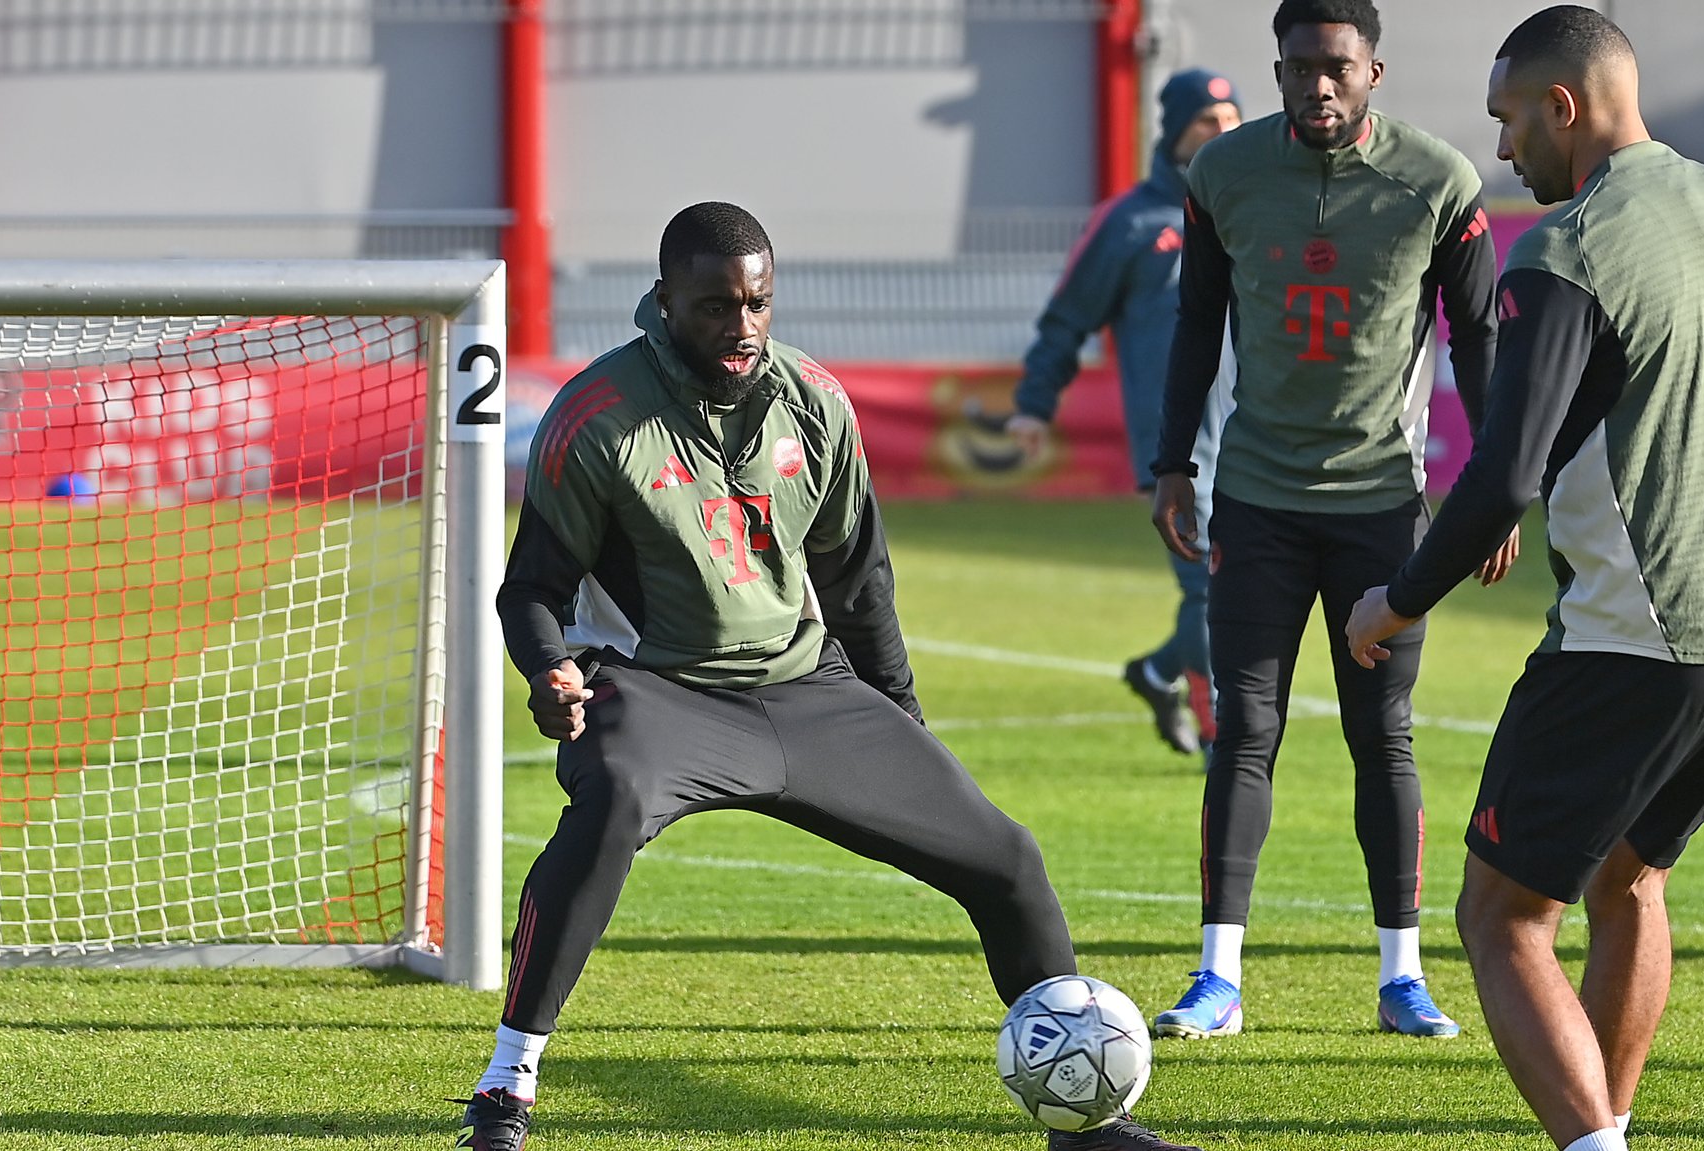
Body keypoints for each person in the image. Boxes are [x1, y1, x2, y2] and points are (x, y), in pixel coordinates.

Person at [454, 202, 1201, 1151]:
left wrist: (902, 721)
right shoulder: (597, 417)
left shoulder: (813, 399)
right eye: (716, 306)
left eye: (757, 302)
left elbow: (858, 583)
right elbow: (531, 587)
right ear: (664, 301)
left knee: (1007, 859)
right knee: (609, 808)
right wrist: (549, 667)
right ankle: (506, 1086)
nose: (742, 325)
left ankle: (1087, 1125)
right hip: (659, 689)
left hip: (807, 686)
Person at [1344, 8, 1704, 1150]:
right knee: (1629, 882)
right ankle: (1611, 1127)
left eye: (1507, 120)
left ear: (1563, 107)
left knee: (1501, 917)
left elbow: (1503, 478)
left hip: (1636, 641)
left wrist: (1395, 599)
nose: (1502, 150)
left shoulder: (1568, 249)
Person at [1147, 0, 1514, 1041]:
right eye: (1299, 66)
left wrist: (1494, 490)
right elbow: (1195, 322)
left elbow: (1479, 337)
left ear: (1373, 73)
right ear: (1276, 70)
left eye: (1337, 68)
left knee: (1381, 735)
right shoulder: (1222, 174)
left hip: (1380, 509)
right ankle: (1217, 977)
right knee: (1243, 733)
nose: (1318, 85)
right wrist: (1171, 464)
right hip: (1255, 502)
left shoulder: (1438, 181)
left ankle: (1403, 978)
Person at [1005, 68, 1243, 757]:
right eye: (1206, 120)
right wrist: (1034, 404)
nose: (1221, 131)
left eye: (1231, 119)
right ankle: (1223, 736)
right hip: (1176, 448)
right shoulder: (1129, 222)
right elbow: (1067, 319)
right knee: (1210, 585)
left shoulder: (1256, 210)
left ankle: (1159, 670)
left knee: (1249, 584)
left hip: (1259, 434)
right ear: (1175, 131)